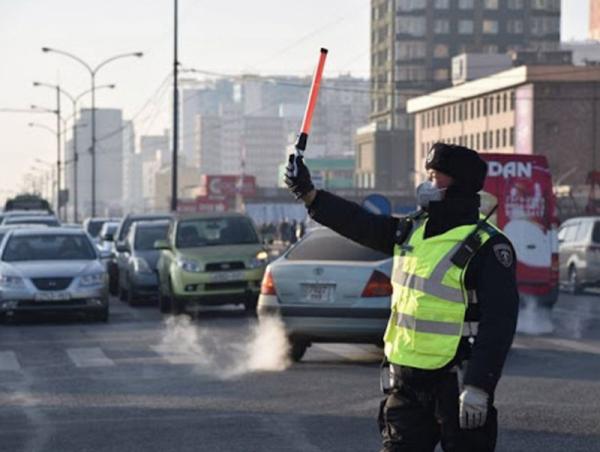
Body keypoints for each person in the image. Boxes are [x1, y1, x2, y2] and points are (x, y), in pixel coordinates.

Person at [284, 143, 519, 452]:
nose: (427, 183)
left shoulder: (488, 246)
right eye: (428, 174)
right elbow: (358, 223)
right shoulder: (411, 230)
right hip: (407, 381)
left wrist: (479, 385)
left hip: (456, 382)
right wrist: (310, 195)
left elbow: (498, 324)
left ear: (458, 182)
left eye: (435, 176)